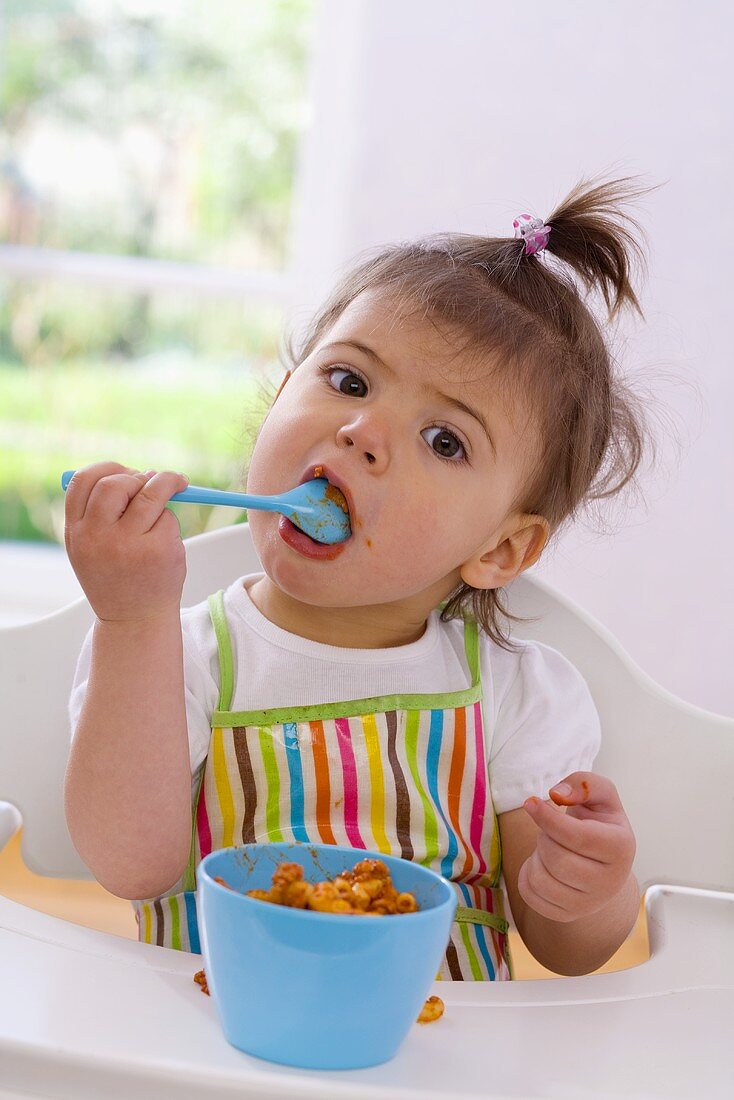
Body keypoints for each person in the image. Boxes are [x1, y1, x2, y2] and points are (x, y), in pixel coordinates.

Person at [65, 175, 652, 980]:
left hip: (439, 1060)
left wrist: (587, 888)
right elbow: (129, 868)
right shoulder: (172, 654)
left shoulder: (516, 694)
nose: (363, 431)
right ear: (280, 396)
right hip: (221, 1050)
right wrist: (130, 622)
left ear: (501, 553)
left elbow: (571, 952)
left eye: (444, 439)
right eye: (348, 380)